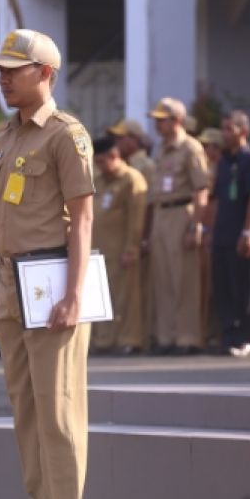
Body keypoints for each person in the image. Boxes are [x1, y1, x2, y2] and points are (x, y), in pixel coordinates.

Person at [0, 29, 95, 499]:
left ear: (45, 73)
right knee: (25, 408)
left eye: (14, 69)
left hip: (51, 279)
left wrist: (74, 294)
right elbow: (2, 223)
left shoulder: (65, 135)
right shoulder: (6, 137)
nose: (3, 78)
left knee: (58, 406)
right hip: (11, 283)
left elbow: (83, 219)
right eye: (0, 70)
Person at [148, 98, 210, 354]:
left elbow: (201, 188)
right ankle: (167, 336)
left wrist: (196, 224)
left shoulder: (190, 147)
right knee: (162, 278)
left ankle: (187, 336)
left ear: (177, 120)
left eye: (162, 120)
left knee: (184, 279)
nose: (157, 124)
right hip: (161, 213)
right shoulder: (160, 149)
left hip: (181, 211)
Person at [209, 111, 250, 357]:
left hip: (242, 235)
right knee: (224, 289)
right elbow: (217, 199)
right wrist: (211, 229)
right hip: (222, 233)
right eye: (223, 128)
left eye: (229, 129)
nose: (224, 133)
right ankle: (229, 336)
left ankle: (246, 339)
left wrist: (248, 231)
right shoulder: (223, 161)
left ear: (243, 131)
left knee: (245, 289)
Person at [91, 138, 148, 355]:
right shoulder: (98, 179)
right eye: (97, 162)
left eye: (103, 161)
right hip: (98, 249)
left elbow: (136, 218)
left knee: (126, 296)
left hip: (120, 249)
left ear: (115, 156)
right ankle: (104, 340)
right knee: (100, 296)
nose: (100, 166)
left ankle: (129, 339)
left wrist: (131, 248)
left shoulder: (131, 179)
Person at [107, 118, 157, 350]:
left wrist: (144, 237)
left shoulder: (144, 166)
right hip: (121, 235)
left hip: (139, 236)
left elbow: (148, 205)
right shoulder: (120, 166)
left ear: (134, 140)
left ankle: (141, 339)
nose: (117, 142)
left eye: (121, 138)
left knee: (140, 290)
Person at [198, 127, 224, 351]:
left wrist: (209, 228)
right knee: (206, 286)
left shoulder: (218, 170)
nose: (205, 150)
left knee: (218, 286)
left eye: (209, 146)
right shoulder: (206, 168)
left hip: (217, 231)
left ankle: (217, 332)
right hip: (208, 231)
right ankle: (208, 333)